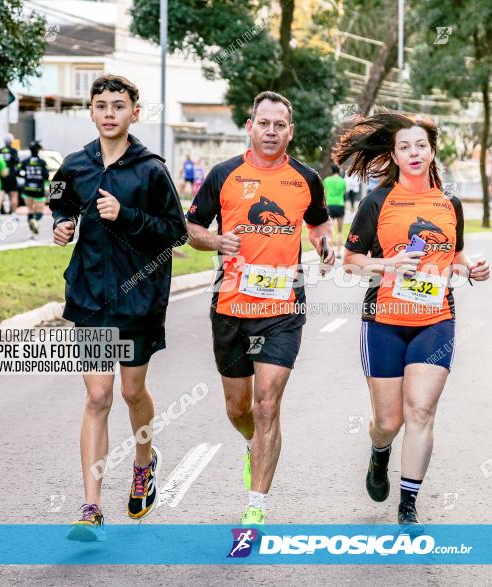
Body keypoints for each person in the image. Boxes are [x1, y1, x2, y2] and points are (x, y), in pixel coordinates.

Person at [335, 112, 490, 527]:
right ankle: (379, 452)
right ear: (395, 155)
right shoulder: (376, 202)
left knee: (420, 410)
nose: (414, 152)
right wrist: (389, 264)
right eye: (404, 147)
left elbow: (454, 255)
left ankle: (408, 505)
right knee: (389, 421)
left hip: (435, 319)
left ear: (432, 150)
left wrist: (470, 267)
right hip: (383, 319)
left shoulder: (448, 203)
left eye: (420, 145)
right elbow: (350, 263)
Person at [186, 91, 333, 526]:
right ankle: (254, 443)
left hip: (283, 305)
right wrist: (215, 240)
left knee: (268, 404)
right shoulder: (223, 174)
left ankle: (256, 507)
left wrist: (324, 245)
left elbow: (318, 222)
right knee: (239, 408)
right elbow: (192, 227)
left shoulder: (306, 178)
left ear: (291, 131)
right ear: (250, 126)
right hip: (231, 304)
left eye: (279, 125)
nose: (271, 132)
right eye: (263, 123)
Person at [50, 74, 187, 541]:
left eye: (119, 105)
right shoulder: (75, 165)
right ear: (91, 111)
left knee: (131, 393)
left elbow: (175, 231)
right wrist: (63, 223)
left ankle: (145, 462)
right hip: (89, 296)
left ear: (134, 113)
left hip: (138, 298)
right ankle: (90, 508)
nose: (109, 113)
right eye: (101, 105)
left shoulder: (150, 169)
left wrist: (125, 216)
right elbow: (59, 201)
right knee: (97, 396)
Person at [18, 141, 49, 237]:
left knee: (30, 210)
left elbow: (17, 171)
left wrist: (25, 176)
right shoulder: (42, 162)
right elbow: (46, 176)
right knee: (39, 210)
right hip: (38, 189)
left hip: (27, 189)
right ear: (38, 150)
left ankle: (32, 232)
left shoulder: (25, 161)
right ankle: (34, 221)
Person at [0, 134, 20, 222]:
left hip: (2, 174)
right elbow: (17, 162)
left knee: (0, 193)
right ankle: (13, 214)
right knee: (14, 194)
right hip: (11, 174)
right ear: (11, 141)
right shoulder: (13, 151)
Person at [323, 163, 347, 251]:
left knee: (329, 230)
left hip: (330, 205)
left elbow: (324, 195)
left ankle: (330, 251)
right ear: (338, 170)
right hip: (340, 205)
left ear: (331, 171)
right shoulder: (343, 181)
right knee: (340, 231)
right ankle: (339, 252)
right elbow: (344, 194)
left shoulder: (327, 180)